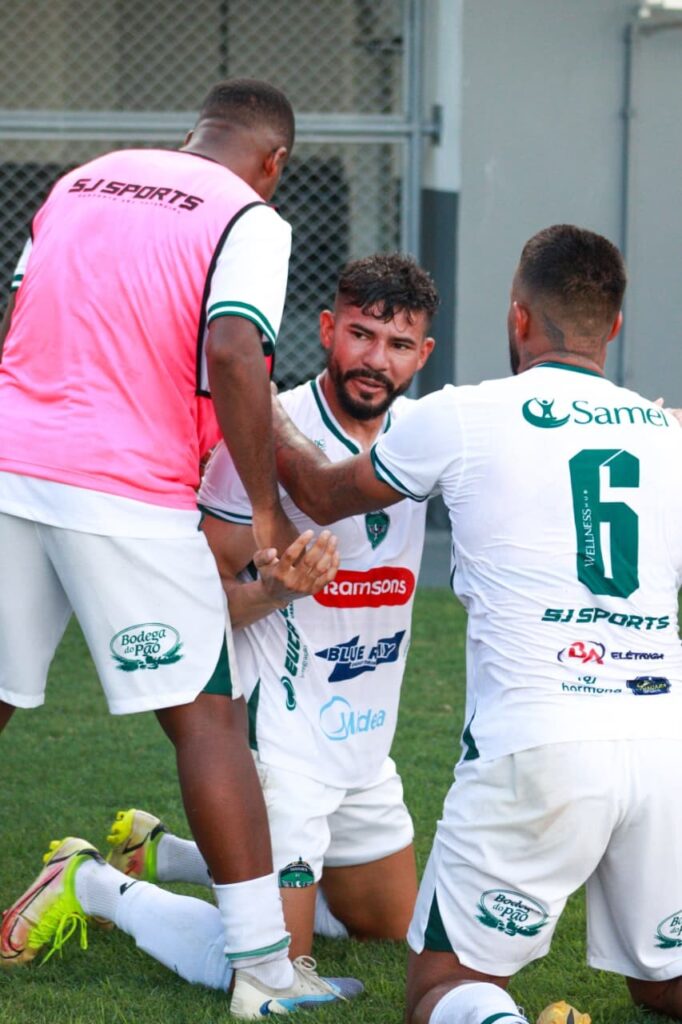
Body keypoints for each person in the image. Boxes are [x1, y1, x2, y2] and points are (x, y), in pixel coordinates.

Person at [0, 79, 358, 1016]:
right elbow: (235, 351)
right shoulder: (250, 216)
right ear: (274, 162)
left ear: (191, 134)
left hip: (9, 463)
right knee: (208, 720)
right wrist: (271, 516)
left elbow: (20, 322)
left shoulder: (84, 180)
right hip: (123, 488)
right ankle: (263, 971)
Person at [266, 225, 682, 1023]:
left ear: (518, 316)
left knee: (440, 988)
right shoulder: (668, 434)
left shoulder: (461, 415)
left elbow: (318, 493)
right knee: (663, 981)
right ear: (616, 326)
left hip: (540, 738)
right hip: (664, 739)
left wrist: (259, 400)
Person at [98, 252, 439, 960]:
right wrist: (275, 590)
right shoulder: (264, 436)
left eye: (398, 344)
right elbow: (194, 607)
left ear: (424, 354)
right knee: (274, 963)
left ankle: (180, 856)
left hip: (364, 751)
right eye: (361, 335)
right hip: (280, 750)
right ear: (327, 329)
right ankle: (96, 885)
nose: (376, 360)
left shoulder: (424, 436)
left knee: (389, 927)